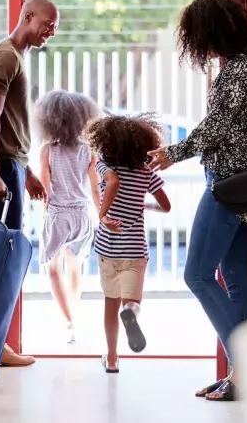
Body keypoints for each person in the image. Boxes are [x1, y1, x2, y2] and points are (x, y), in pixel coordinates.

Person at [148, 0, 247, 401]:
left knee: (196, 274)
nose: (198, 46)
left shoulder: (242, 69)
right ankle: (245, 374)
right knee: (234, 278)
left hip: (229, 185)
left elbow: (219, 126)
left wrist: (172, 153)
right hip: (241, 183)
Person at [0, 0, 59, 367]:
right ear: (28, 17)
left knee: (9, 256)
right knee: (1, 260)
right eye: (47, 25)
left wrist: (28, 172)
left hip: (11, 167)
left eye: (54, 28)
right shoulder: (5, 56)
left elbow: (12, 125)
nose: (50, 33)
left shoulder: (19, 57)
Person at [83, 113, 171, 373]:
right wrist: (144, 204)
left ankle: (111, 359)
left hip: (108, 249)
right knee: (131, 302)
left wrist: (103, 215)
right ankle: (131, 313)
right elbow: (166, 206)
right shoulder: (146, 172)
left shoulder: (104, 164)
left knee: (110, 302)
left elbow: (112, 182)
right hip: (135, 250)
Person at [32, 90, 102, 345]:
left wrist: (43, 217)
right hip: (82, 214)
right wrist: (102, 214)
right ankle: (75, 318)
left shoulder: (47, 151)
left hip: (57, 214)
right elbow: (95, 188)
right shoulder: (89, 151)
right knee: (76, 268)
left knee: (53, 270)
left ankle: (68, 321)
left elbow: (44, 190)